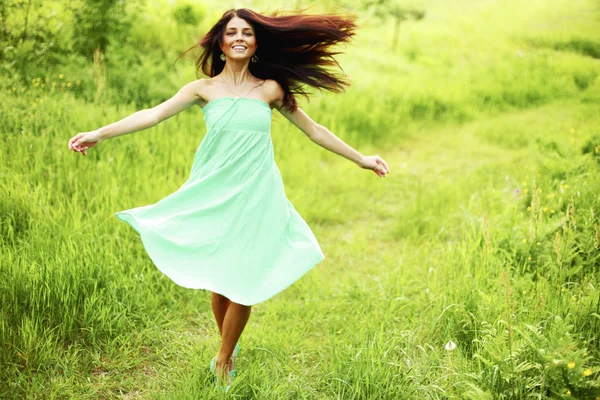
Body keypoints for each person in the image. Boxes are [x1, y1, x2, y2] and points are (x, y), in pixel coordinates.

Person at [67, 8, 389, 392]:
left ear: (255, 44)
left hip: (257, 191)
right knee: (219, 282)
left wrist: (362, 159)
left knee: (244, 277)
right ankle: (229, 349)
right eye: (232, 32)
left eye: (247, 33)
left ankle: (222, 359)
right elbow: (152, 115)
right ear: (221, 43)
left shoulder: (271, 89)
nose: (240, 37)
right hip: (214, 190)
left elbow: (314, 131)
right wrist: (98, 133)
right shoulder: (202, 90)